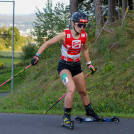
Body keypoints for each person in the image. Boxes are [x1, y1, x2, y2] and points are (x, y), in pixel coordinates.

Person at [31, 11, 102, 126]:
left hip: (76, 66)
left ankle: (89, 111)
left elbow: (85, 49)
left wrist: (89, 64)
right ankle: (66, 117)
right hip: (64, 66)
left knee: (83, 91)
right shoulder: (65, 35)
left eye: (84, 25)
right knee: (71, 89)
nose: (82, 27)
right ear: (73, 23)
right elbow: (47, 43)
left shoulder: (84, 35)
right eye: (79, 25)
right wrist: (36, 56)